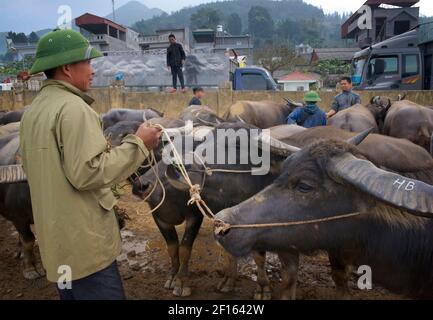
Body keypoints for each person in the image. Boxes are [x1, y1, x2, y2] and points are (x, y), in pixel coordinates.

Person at [20, 29, 162, 300]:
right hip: (86, 248)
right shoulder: (74, 108)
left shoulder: (34, 112)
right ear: (67, 68)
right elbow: (88, 172)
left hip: (58, 247)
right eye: (87, 63)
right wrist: (140, 143)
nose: (92, 70)